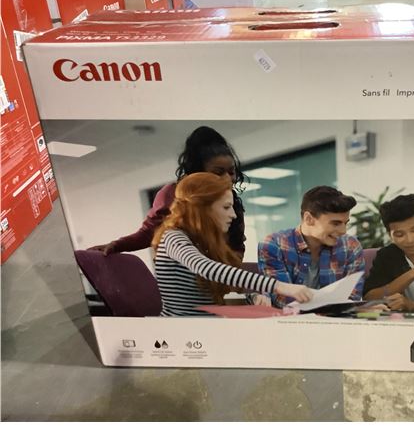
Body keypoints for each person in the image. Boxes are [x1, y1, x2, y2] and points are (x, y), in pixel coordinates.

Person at [152, 173, 313, 316]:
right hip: (180, 332)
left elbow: (211, 301)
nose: (233, 214)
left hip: (207, 328)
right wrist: (280, 286)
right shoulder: (173, 237)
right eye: (226, 207)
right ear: (201, 209)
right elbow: (205, 268)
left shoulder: (204, 245)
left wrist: (251, 298)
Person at [91, 126, 246, 256]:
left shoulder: (231, 202)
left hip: (219, 276)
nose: (228, 179)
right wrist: (118, 245)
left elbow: (237, 245)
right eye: (218, 172)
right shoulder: (173, 194)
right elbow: (149, 232)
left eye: (231, 172)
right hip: (188, 274)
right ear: (197, 172)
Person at [258, 185, 365, 307]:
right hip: (288, 317)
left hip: (335, 317)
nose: (343, 231)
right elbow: (282, 300)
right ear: (309, 219)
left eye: (345, 223)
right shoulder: (274, 245)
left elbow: (352, 299)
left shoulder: (351, 246)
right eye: (336, 223)